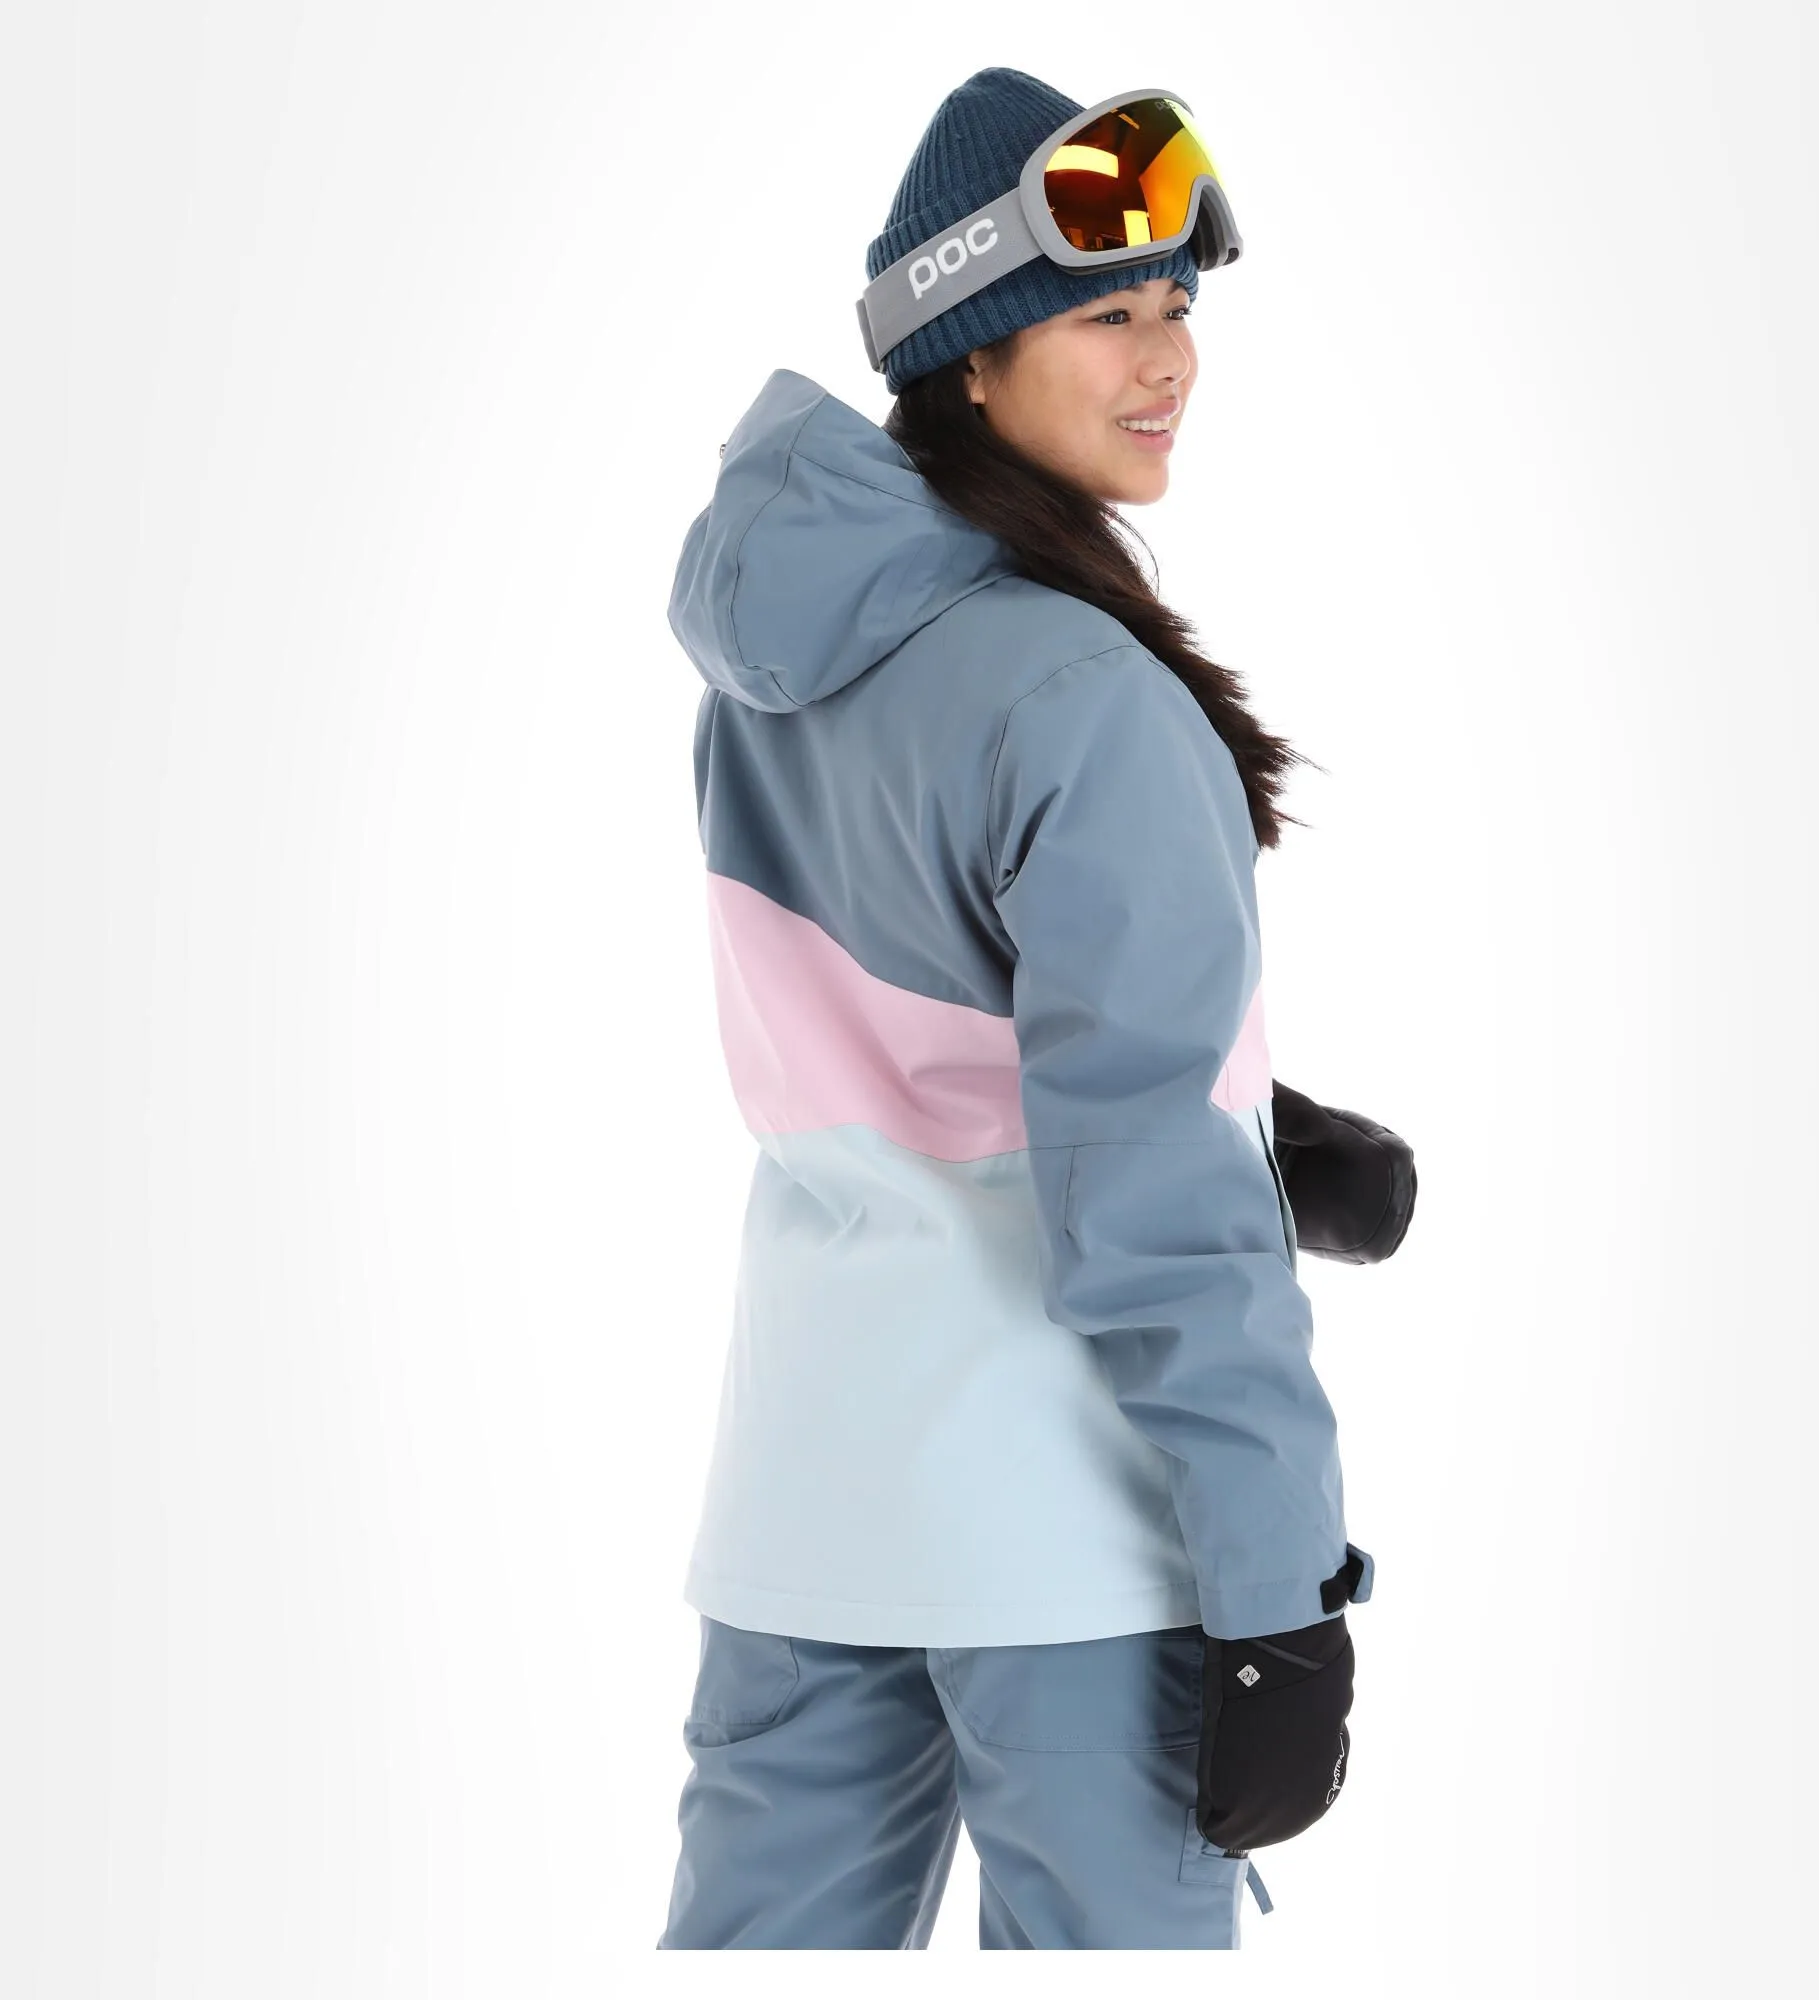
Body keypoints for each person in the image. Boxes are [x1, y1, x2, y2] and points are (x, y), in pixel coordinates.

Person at [656, 67, 1373, 1951]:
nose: (1169, 360)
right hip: (1069, 1551)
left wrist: (1268, 1121)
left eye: (1179, 307)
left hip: (803, 1519)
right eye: (1106, 314)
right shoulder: (1081, 695)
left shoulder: (772, 670)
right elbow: (1149, 1203)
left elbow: (906, 1032)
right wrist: (1282, 1593)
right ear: (968, 356)